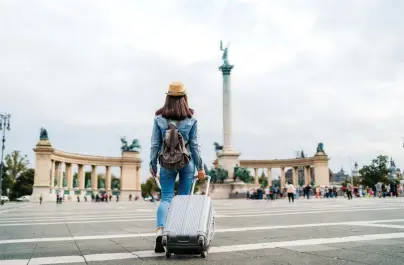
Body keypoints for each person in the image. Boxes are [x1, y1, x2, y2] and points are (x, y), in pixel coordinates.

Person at [149, 82, 205, 253]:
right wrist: (201, 167)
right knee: (182, 199)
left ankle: (160, 231)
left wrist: (153, 165)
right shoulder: (191, 120)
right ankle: (177, 233)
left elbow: (155, 144)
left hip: (166, 162)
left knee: (166, 198)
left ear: (167, 97)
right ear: (184, 98)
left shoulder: (159, 119)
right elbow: (195, 145)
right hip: (186, 162)